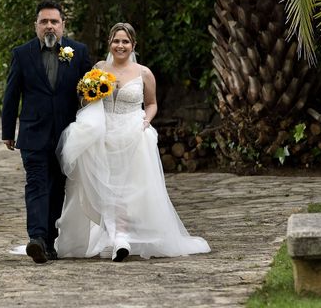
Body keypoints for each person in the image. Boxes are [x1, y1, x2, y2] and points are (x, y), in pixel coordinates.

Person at [55, 22, 210, 261]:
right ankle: (113, 236)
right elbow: (86, 101)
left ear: (133, 45)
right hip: (102, 133)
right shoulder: (98, 68)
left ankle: (121, 237)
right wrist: (91, 95)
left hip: (132, 132)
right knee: (105, 185)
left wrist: (146, 121)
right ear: (109, 43)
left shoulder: (144, 73)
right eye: (116, 41)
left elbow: (151, 103)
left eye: (125, 41)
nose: (120, 45)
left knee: (126, 187)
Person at [2, 0, 92, 263]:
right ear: (36, 26)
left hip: (67, 136)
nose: (49, 26)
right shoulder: (22, 54)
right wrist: (8, 131)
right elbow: (11, 95)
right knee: (37, 184)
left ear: (63, 25)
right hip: (33, 133)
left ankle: (50, 242)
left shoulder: (78, 51)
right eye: (44, 22)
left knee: (57, 188)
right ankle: (36, 238)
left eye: (54, 21)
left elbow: (89, 93)